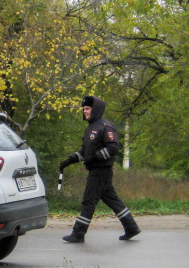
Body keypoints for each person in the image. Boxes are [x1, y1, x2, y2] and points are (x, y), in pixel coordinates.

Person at [59, 95, 141, 243]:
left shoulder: (105, 126)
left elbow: (113, 147)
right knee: (113, 200)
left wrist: (95, 157)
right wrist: (68, 161)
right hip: (96, 171)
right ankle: (131, 227)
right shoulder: (90, 128)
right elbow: (85, 152)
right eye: (83, 109)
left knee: (88, 202)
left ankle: (78, 233)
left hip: (100, 171)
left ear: (95, 109)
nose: (85, 111)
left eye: (87, 108)